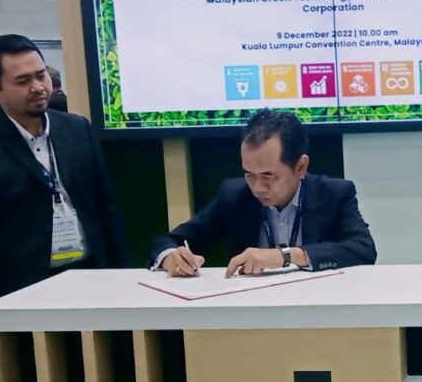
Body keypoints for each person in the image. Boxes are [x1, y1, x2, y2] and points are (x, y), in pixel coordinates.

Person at [0, 34, 131, 310]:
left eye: (41, 75)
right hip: (25, 289)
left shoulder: (76, 129)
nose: (38, 87)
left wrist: (123, 279)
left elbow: (107, 210)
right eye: (22, 81)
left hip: (93, 276)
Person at [148, 109, 376, 276]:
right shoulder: (235, 195)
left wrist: (285, 256)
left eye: (268, 176)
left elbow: (363, 249)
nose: (257, 187)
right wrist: (170, 257)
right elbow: (168, 241)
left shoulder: (334, 193)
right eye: (249, 174)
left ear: (300, 167)